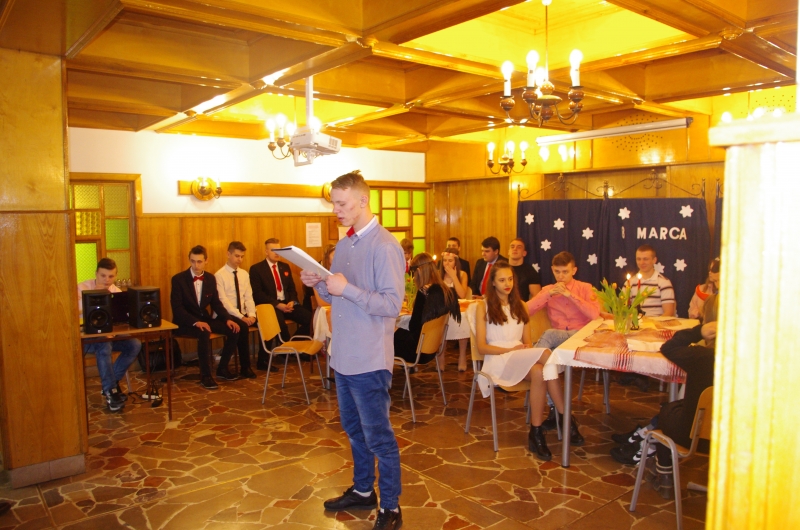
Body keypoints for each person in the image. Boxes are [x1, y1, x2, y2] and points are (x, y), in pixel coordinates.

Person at [300, 170, 405, 530]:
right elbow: (336, 296)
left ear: (363, 200)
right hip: (343, 355)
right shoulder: (344, 244)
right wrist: (318, 284)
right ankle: (363, 491)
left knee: (379, 437)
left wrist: (346, 288)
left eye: (341, 203)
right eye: (334, 203)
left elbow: (391, 305)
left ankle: (391, 506)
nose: (336, 210)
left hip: (369, 358)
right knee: (354, 430)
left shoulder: (385, 246)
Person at [611, 292, 718, 497]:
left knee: (667, 412)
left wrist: (699, 331)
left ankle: (664, 473)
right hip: (733, 439)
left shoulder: (701, 357)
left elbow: (668, 347)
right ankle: (653, 451)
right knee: (675, 408)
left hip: (692, 437)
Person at [474, 262, 578, 461]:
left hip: (519, 357)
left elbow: (527, 343)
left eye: (510, 279)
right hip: (497, 361)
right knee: (546, 354)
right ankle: (566, 418)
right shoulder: (482, 306)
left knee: (539, 371)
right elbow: (481, 348)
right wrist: (510, 350)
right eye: (502, 280)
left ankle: (536, 432)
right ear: (492, 283)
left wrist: (521, 350)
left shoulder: (521, 305)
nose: (507, 284)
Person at [526, 251, 599, 440]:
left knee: (548, 337)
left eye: (565, 272)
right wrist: (548, 294)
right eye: (557, 272)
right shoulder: (548, 289)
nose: (561, 276)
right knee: (546, 364)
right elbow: (526, 310)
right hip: (559, 342)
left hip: (580, 337)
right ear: (552, 270)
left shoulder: (585, 288)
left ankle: (527, 365)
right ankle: (561, 415)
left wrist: (570, 295)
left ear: (574, 270)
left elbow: (595, 315)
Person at [170, 245, 241, 390]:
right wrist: (196, 322)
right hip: (185, 322)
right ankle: (206, 376)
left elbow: (216, 303)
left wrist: (228, 319)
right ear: (189, 260)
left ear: (206, 261)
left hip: (204, 319)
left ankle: (222, 368)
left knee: (234, 329)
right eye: (193, 261)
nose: (196, 265)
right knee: (204, 332)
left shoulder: (210, 278)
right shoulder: (178, 279)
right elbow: (177, 309)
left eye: (199, 261)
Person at [78, 258, 141, 412]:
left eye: (111, 276)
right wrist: (96, 295)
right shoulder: (82, 288)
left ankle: (111, 384)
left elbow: (121, 320)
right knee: (104, 344)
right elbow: (75, 313)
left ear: (115, 276)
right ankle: (111, 391)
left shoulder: (116, 293)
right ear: (96, 274)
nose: (107, 280)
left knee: (134, 344)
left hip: (110, 336)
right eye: (103, 276)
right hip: (86, 339)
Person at [394, 253, 460, 370]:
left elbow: (413, 326)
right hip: (432, 349)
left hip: (417, 350)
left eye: (413, 272)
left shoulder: (424, 293)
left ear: (419, 271)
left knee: (386, 331)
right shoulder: (445, 291)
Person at [250, 237, 313, 346]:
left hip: (288, 304)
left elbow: (291, 289)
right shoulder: (257, 269)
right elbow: (258, 294)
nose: (277, 253)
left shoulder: (285, 266)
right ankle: (287, 350)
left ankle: (293, 345)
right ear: (266, 252)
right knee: (280, 325)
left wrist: (292, 301)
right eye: (273, 250)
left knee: (312, 320)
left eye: (279, 250)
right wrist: (277, 305)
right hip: (271, 306)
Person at [213, 241, 257, 380]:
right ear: (228, 254)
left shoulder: (244, 274)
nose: (240, 259)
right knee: (241, 327)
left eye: (242, 256)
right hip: (224, 314)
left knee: (264, 321)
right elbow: (223, 301)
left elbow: (248, 296)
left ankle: (263, 360)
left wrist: (252, 315)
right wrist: (241, 317)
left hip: (242, 313)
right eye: (237, 256)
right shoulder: (219, 275)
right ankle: (243, 367)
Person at [440, 248, 470, 371]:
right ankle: (441, 356)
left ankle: (462, 356)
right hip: (443, 307)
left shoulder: (462, 274)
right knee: (441, 320)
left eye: (450, 260)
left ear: (455, 262)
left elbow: (462, 294)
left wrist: (454, 276)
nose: (447, 263)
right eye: (445, 260)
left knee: (463, 320)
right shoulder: (438, 274)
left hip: (458, 307)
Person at [630, 244, 676, 317]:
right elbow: (623, 308)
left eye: (645, 259)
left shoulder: (663, 283)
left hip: (657, 323)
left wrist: (652, 323)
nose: (642, 263)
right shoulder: (630, 282)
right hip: (635, 323)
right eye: (638, 259)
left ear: (654, 260)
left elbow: (668, 313)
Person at [312, 244, 336, 310]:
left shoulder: (342, 274)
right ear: (327, 257)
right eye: (335, 255)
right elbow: (321, 303)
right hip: (325, 310)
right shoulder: (318, 275)